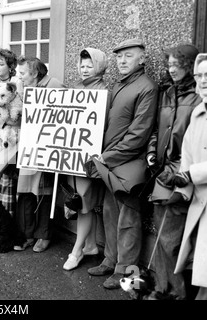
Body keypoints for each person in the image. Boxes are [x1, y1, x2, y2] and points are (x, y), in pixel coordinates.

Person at [86, 39, 159, 289]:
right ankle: (110, 260)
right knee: (109, 212)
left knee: (128, 219)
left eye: (128, 56)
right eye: (119, 57)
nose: (122, 61)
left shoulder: (147, 87)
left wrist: (108, 157)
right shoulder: (119, 84)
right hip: (111, 162)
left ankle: (125, 272)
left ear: (142, 59)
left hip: (130, 165)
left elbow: (139, 134)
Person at [145, 44, 200, 300]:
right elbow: (158, 129)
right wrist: (152, 153)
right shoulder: (167, 92)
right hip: (162, 171)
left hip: (182, 175)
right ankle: (161, 287)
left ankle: (177, 292)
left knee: (171, 238)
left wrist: (177, 172)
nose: (171, 68)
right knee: (161, 231)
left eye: (177, 64)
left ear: (190, 66)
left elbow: (196, 144)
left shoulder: (199, 97)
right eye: (169, 64)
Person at [63, 48, 108, 269]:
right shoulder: (76, 88)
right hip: (74, 156)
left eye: (89, 65)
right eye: (81, 65)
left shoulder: (104, 91)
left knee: (85, 204)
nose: (84, 69)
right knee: (82, 200)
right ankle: (90, 245)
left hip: (89, 158)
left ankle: (77, 250)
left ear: (99, 66)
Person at [14, 56, 65, 252]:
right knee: (25, 190)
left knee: (44, 191)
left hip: (47, 147)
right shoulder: (23, 88)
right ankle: (26, 234)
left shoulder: (54, 85)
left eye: (23, 73)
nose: (20, 77)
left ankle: (44, 235)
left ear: (35, 73)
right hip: (28, 145)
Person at [174, 53, 207, 300]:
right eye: (199, 75)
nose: (203, 81)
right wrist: (182, 189)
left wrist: (190, 175)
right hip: (199, 199)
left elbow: (192, 168)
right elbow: (187, 151)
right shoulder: (198, 112)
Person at [0, 48, 21, 217]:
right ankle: (1, 216)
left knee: (11, 175)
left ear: (10, 66)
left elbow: (18, 114)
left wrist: (8, 119)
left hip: (15, 136)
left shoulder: (17, 84)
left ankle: (12, 218)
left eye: (1, 64)